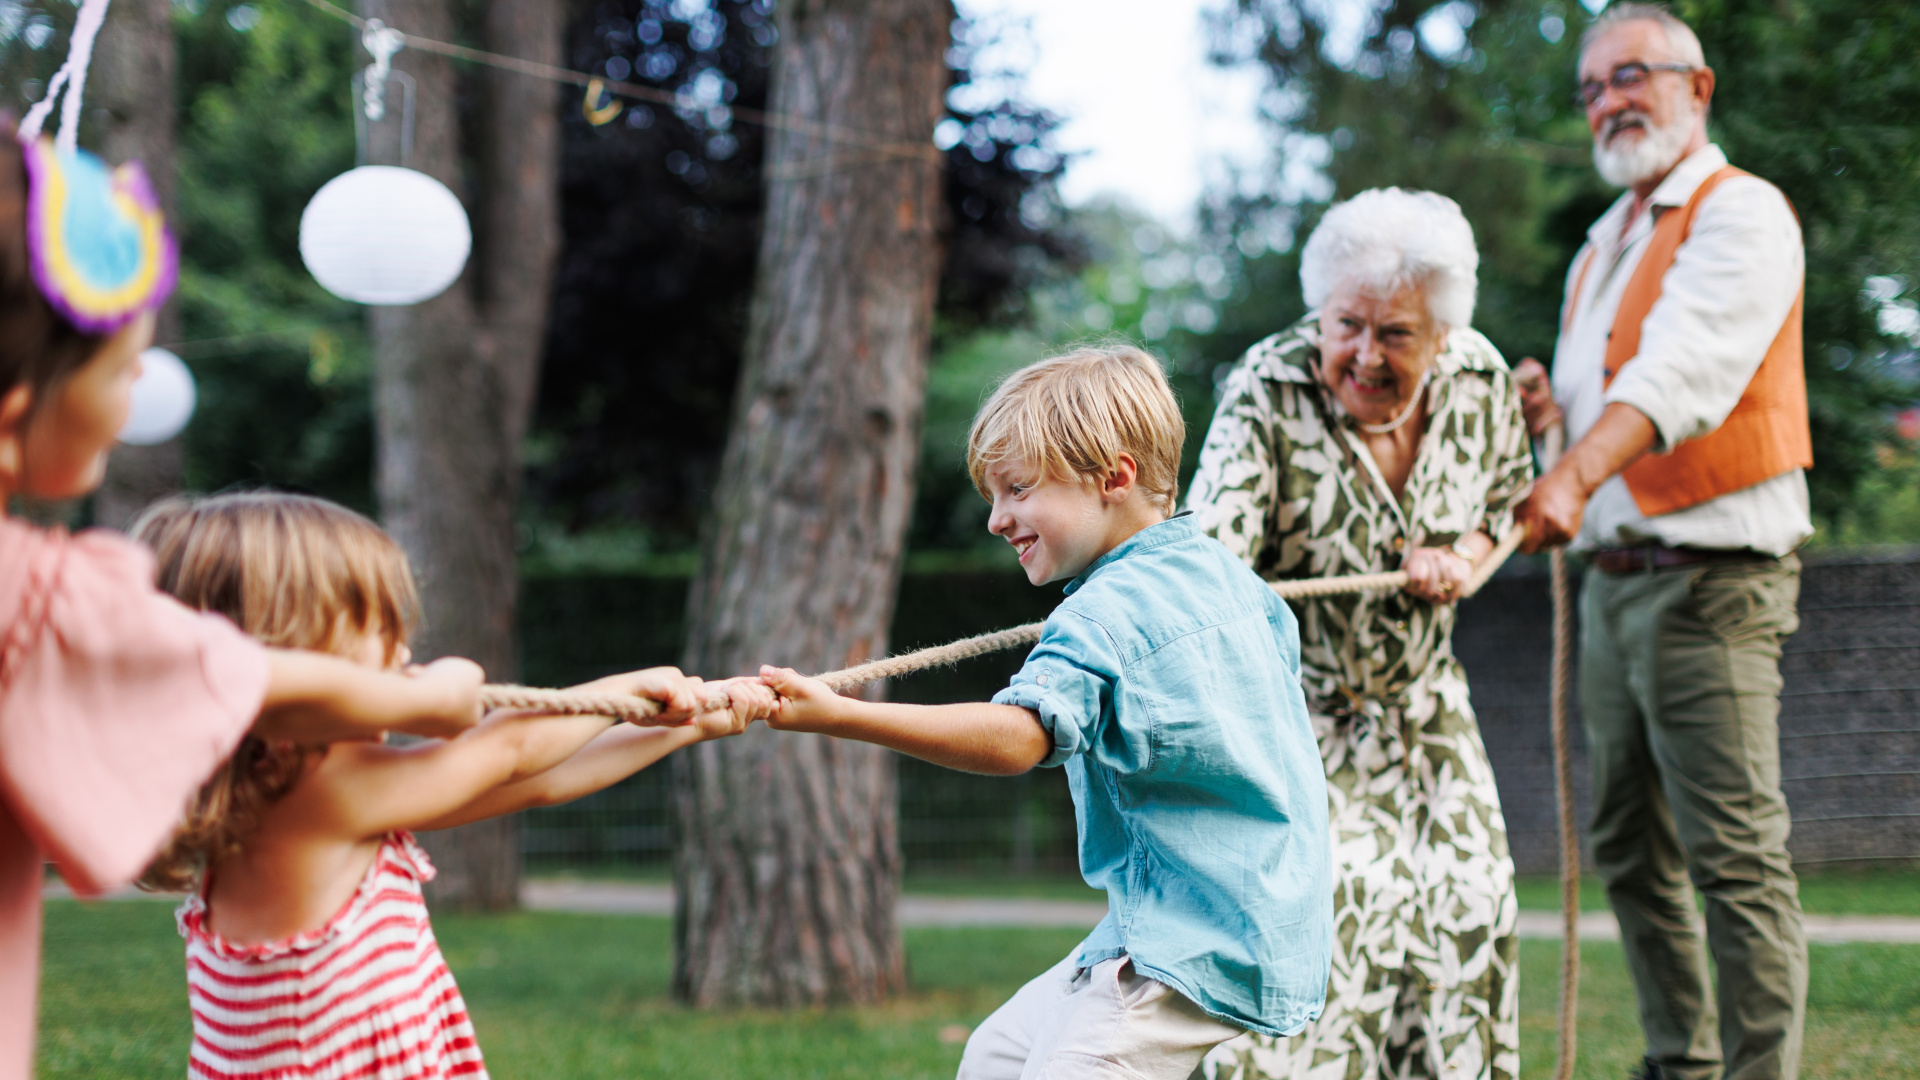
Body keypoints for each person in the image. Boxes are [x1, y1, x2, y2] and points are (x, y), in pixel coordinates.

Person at [0, 132, 490, 1080]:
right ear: (17, 417)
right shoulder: (32, 597)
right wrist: (423, 702)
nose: (139, 384)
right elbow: (246, 681)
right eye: (121, 367)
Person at [760, 346, 1332, 1080]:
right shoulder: (1230, 580)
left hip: (1190, 943)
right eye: (993, 496)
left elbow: (1019, 738)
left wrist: (836, 714)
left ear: (1114, 477)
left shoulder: (1105, 610)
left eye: (1019, 490)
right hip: (1234, 923)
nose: (998, 520)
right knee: (997, 1056)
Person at [133, 491, 774, 1080]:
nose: (402, 651)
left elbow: (535, 782)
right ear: (293, 647)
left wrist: (688, 728)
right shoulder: (321, 795)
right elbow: (510, 748)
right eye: (377, 627)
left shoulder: (289, 800)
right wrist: (620, 691)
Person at [1510, 6, 1811, 1079]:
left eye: (1630, 74)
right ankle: (1677, 1067)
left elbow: (1678, 376)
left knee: (1735, 862)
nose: (1608, 101)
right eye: (1592, 86)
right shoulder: (1602, 246)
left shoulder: (1743, 214)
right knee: (1629, 854)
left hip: (1712, 585)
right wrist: (1555, 418)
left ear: (1700, 87)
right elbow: (1604, 408)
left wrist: (1575, 469)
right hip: (1611, 584)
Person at [1186, 188, 1533, 1080]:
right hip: (1302, 716)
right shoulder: (1268, 384)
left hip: (1429, 714)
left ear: (1443, 333)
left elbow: (1507, 505)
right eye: (1348, 325)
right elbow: (1210, 556)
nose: (1365, 355)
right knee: (1330, 927)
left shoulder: (1483, 380)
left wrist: (1463, 554)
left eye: (1397, 334)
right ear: (1321, 310)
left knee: (1473, 908)